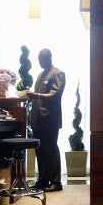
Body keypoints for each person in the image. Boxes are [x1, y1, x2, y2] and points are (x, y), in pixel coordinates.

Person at [27, 48, 66, 192]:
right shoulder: (40, 75)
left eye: (40, 59)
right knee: (40, 150)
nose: (39, 62)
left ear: (48, 58)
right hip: (37, 119)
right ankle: (42, 180)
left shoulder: (58, 73)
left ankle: (56, 182)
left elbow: (55, 95)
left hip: (49, 118)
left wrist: (35, 95)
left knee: (51, 149)